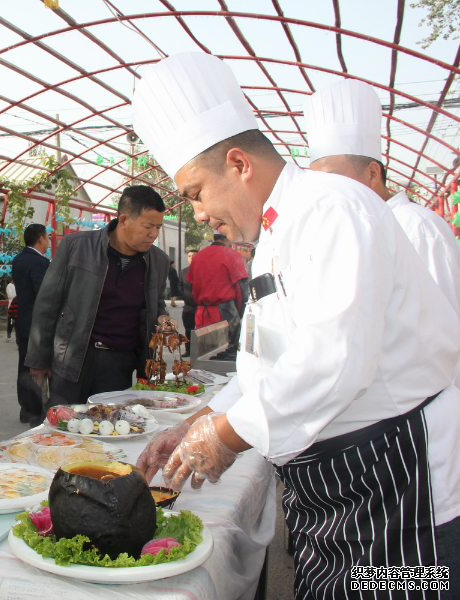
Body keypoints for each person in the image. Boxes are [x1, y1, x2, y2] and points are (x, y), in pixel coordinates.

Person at [133, 52, 460, 598]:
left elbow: (333, 361)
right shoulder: (276, 233)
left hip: (399, 493)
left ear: (239, 164)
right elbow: (270, 360)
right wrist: (198, 422)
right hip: (340, 492)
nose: (198, 213)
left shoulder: (332, 208)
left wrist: (224, 437)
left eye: (196, 193)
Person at [304, 78, 460, 322]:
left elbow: (447, 321)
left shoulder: (417, 226)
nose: (326, 190)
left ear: (373, 174)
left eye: (333, 179)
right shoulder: (348, 229)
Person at [25, 186, 171, 406]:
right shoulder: (77, 247)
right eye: (148, 226)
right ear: (123, 220)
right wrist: (38, 359)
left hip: (119, 363)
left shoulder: (158, 261)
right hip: (74, 357)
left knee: (109, 428)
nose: (153, 234)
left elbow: (157, 302)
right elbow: (48, 304)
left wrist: (162, 317)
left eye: (158, 227)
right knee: (63, 426)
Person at [11, 224, 51, 425]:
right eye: (48, 238)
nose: (49, 242)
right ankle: (35, 411)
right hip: (38, 324)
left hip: (23, 321)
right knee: (37, 366)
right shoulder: (39, 263)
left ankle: (26, 409)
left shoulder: (19, 260)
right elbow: (43, 295)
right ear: (40, 239)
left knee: (23, 367)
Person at [187, 233, 248, 351]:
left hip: (202, 313)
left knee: (204, 354)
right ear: (227, 237)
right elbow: (242, 288)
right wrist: (241, 312)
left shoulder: (199, 256)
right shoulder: (231, 255)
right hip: (225, 313)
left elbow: (191, 286)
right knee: (225, 355)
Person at [175, 248, 199, 357]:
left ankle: (199, 351)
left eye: (194, 255)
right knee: (188, 330)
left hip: (200, 306)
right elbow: (179, 285)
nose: (191, 258)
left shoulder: (203, 271)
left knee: (200, 330)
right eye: (189, 256)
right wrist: (185, 295)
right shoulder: (184, 271)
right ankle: (188, 350)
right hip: (188, 306)